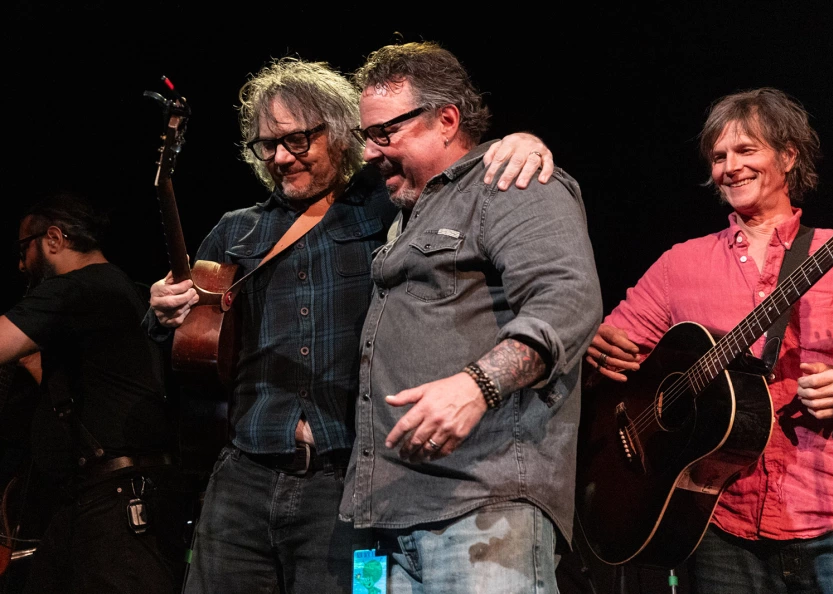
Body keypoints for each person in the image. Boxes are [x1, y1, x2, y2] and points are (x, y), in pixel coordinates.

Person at [145, 54, 558, 594]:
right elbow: (182, 349)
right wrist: (161, 313)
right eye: (266, 145)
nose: (279, 158)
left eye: (297, 140)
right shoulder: (234, 232)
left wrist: (525, 141)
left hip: (345, 483)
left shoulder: (388, 212)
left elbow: (458, 187)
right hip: (243, 477)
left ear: (341, 134)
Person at [586, 87, 833, 592]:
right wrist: (596, 349)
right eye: (719, 156)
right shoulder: (680, 265)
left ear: (789, 156)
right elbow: (615, 357)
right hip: (716, 521)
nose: (730, 167)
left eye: (746, 151)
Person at [336, 41, 601, 593]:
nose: (369, 152)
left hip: (482, 507)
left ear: (447, 120)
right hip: (384, 521)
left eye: (384, 133)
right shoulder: (405, 212)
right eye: (367, 136)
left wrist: (477, 386)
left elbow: (567, 301)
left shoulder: (511, 182)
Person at [0, 191, 190, 594]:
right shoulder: (117, 287)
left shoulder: (78, 287)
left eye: (24, 249)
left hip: (116, 501)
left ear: (54, 239)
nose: (20, 265)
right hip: (100, 497)